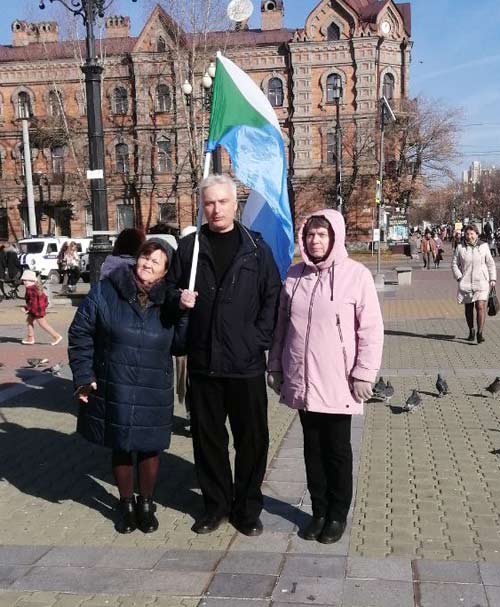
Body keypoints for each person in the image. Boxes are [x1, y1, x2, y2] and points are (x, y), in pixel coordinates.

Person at [166, 174, 281, 537]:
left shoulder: (256, 248)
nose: (216, 209)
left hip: (245, 364)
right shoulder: (189, 248)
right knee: (208, 441)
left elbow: (272, 296)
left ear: (235, 205)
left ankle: (246, 508)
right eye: (209, 203)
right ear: (203, 206)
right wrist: (177, 299)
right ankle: (215, 506)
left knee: (252, 441)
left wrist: (257, 339)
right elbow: (167, 292)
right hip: (204, 363)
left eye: (222, 202)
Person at [267, 210, 384, 544]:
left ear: (335, 237)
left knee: (337, 451)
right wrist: (275, 366)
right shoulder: (294, 276)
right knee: (312, 449)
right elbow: (281, 327)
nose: (315, 241)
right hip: (302, 378)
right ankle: (318, 511)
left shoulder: (356, 276)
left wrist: (364, 373)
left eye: (322, 235)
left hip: (339, 380)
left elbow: (371, 329)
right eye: (310, 235)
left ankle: (336, 514)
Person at [68, 238, 186, 534]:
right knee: (120, 445)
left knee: (149, 447)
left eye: (156, 261)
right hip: (115, 382)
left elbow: (181, 345)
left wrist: (185, 312)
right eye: (145, 256)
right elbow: (80, 332)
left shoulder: (170, 300)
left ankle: (146, 503)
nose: (147, 264)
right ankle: (126, 504)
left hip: (152, 386)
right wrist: (83, 375)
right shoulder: (106, 290)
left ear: (165, 271)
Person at [452, 223, 496, 344]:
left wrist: (492, 279)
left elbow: (490, 263)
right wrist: (459, 277)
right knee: (469, 308)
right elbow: (454, 264)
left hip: (481, 281)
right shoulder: (460, 247)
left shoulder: (483, 246)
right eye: (467, 234)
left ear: (477, 234)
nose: (469, 236)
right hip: (466, 282)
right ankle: (471, 330)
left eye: (472, 234)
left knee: (480, 306)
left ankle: (480, 333)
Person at [21, 269, 62, 346]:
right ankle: (30, 338)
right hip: (36, 309)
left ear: (33, 281)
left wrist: (26, 308)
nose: (25, 282)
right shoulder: (34, 287)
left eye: (28, 280)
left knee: (43, 324)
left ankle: (56, 336)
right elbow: (44, 298)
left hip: (37, 310)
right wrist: (44, 305)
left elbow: (32, 301)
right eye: (24, 280)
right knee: (29, 321)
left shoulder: (31, 289)